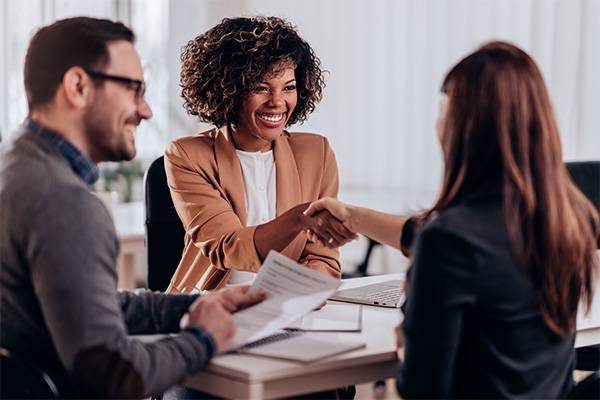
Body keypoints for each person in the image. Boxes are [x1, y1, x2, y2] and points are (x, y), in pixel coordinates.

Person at [305, 41, 599, 398]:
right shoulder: (567, 218)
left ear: (463, 126)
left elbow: (422, 390)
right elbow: (444, 239)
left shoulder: (451, 240)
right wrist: (351, 215)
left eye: (445, 107)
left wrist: (407, 343)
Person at [0, 17, 266, 399]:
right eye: (134, 89)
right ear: (78, 87)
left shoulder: (15, 166)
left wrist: (195, 304)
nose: (146, 111)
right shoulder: (64, 202)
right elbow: (114, 375)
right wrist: (202, 339)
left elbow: (86, 306)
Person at [165, 16, 356, 293]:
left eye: (288, 87)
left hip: (287, 308)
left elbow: (322, 257)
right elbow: (227, 246)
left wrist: (302, 295)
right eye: (261, 88)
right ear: (229, 90)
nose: (278, 102)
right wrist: (299, 218)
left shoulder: (318, 153)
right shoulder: (187, 155)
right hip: (210, 306)